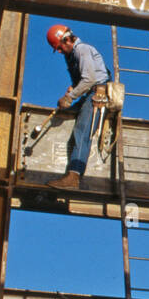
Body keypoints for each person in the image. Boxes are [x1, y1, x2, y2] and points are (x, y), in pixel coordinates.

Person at [43, 24, 110, 190]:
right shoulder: (72, 56)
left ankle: (74, 176)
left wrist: (70, 97)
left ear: (67, 40)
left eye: (59, 47)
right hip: (88, 93)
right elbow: (81, 80)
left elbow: (89, 80)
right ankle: (73, 172)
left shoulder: (82, 49)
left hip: (97, 95)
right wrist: (73, 88)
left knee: (82, 131)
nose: (59, 52)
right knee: (67, 115)